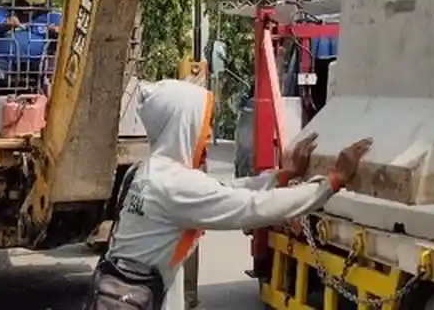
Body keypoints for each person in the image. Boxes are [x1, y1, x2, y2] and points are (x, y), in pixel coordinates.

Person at [100, 78, 372, 310]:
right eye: (203, 123)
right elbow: (252, 207)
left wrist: (281, 176)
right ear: (182, 125)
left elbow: (224, 191)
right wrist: (330, 183)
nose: (207, 133)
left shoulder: (148, 172)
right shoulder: (173, 185)